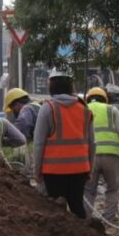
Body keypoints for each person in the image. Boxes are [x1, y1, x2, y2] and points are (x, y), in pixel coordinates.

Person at [33, 68, 95, 219]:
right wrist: (90, 170)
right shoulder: (84, 110)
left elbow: (39, 143)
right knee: (77, 208)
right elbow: (92, 143)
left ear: (52, 85)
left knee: (56, 212)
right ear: (70, 85)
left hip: (53, 171)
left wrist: (37, 171)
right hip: (80, 170)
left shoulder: (48, 108)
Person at [83, 87, 119, 222]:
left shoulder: (83, 110)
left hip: (91, 156)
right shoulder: (111, 110)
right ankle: (108, 219)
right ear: (105, 98)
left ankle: (86, 218)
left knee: (89, 189)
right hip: (111, 155)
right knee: (113, 188)